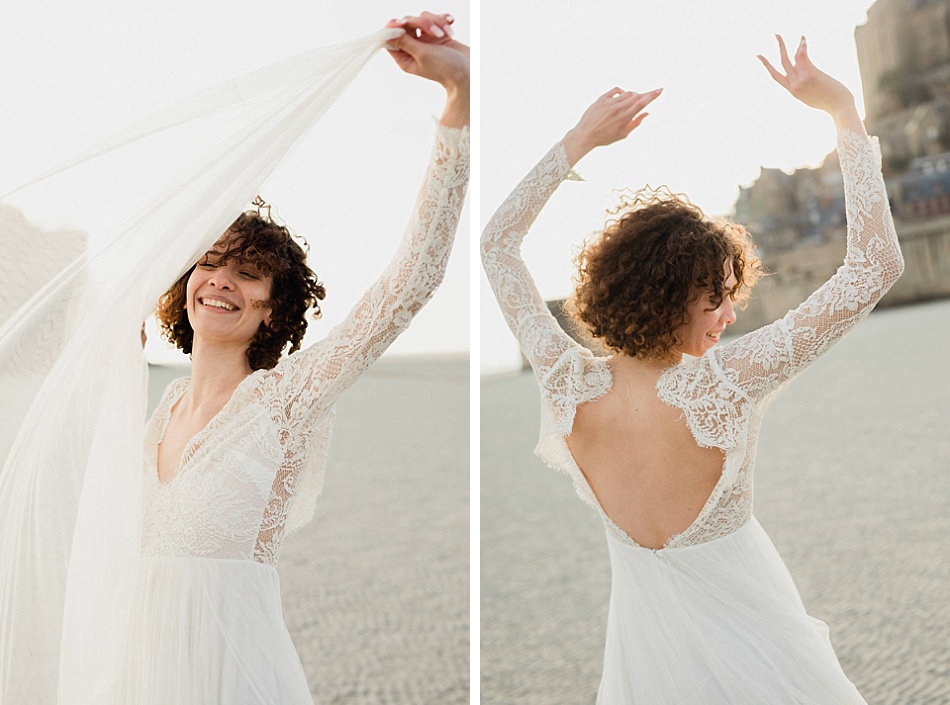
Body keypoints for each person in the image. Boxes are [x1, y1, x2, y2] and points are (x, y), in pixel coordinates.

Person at [481, 35, 902, 704]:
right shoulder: (726, 382)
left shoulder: (568, 382)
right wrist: (845, 111)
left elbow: (496, 245)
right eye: (717, 298)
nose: (730, 316)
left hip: (645, 672)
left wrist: (578, 140)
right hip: (767, 661)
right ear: (669, 296)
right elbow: (875, 267)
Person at [70, 12, 467, 705]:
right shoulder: (155, 412)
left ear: (272, 307)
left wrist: (459, 104)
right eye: (212, 262)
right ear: (184, 283)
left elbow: (410, 283)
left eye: (249, 272)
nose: (223, 279)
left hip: (235, 679)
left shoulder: (286, 398)